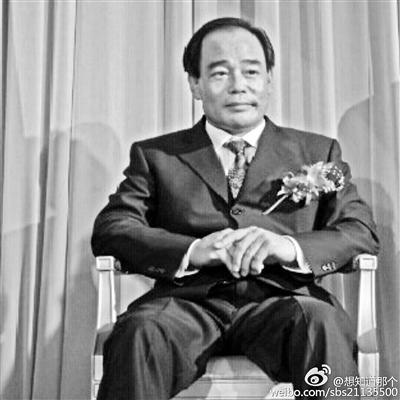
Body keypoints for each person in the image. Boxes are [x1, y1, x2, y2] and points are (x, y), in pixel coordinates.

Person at [91, 17, 379, 400]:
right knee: (139, 332)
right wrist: (193, 250)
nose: (238, 85)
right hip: (185, 305)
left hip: (285, 303)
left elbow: (359, 231)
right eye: (220, 73)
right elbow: (113, 228)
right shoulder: (157, 155)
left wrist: (287, 247)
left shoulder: (317, 152)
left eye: (251, 71)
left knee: (321, 323)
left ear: (269, 79)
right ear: (195, 84)